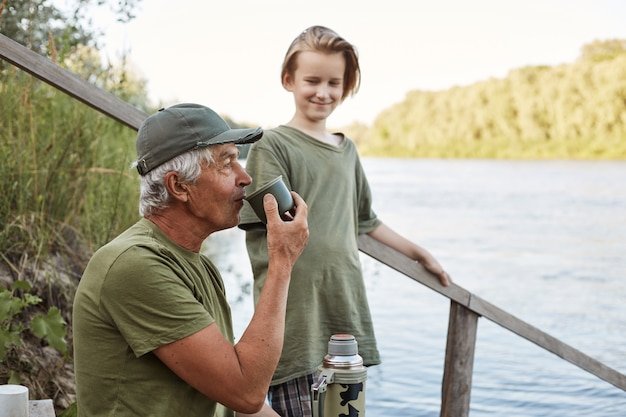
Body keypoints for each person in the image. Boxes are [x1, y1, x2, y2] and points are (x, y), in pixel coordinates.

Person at [238, 26, 451, 416]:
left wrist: (418, 252)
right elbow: (269, 220)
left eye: (334, 82)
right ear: (289, 80)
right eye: (312, 81)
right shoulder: (272, 144)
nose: (323, 92)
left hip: (342, 309)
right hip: (295, 316)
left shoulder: (347, 149)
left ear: (346, 86)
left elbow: (365, 221)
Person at [72, 103, 310, 417]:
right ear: (179, 186)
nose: (246, 177)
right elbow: (246, 391)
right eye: (228, 163)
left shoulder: (198, 266)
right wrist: (282, 261)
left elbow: (232, 395)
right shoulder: (135, 265)